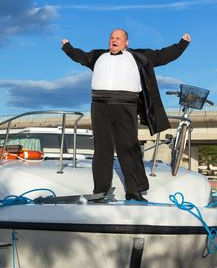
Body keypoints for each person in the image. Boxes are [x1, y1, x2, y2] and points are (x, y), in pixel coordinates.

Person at [61, 30, 191, 201]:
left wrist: (182, 44)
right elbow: (80, 56)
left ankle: (134, 192)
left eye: (118, 38)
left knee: (128, 147)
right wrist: (68, 47)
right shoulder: (97, 56)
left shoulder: (139, 56)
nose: (114, 40)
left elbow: (163, 56)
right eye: (111, 38)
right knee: (102, 149)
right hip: (100, 106)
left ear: (126, 42)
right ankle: (100, 191)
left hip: (126, 106)